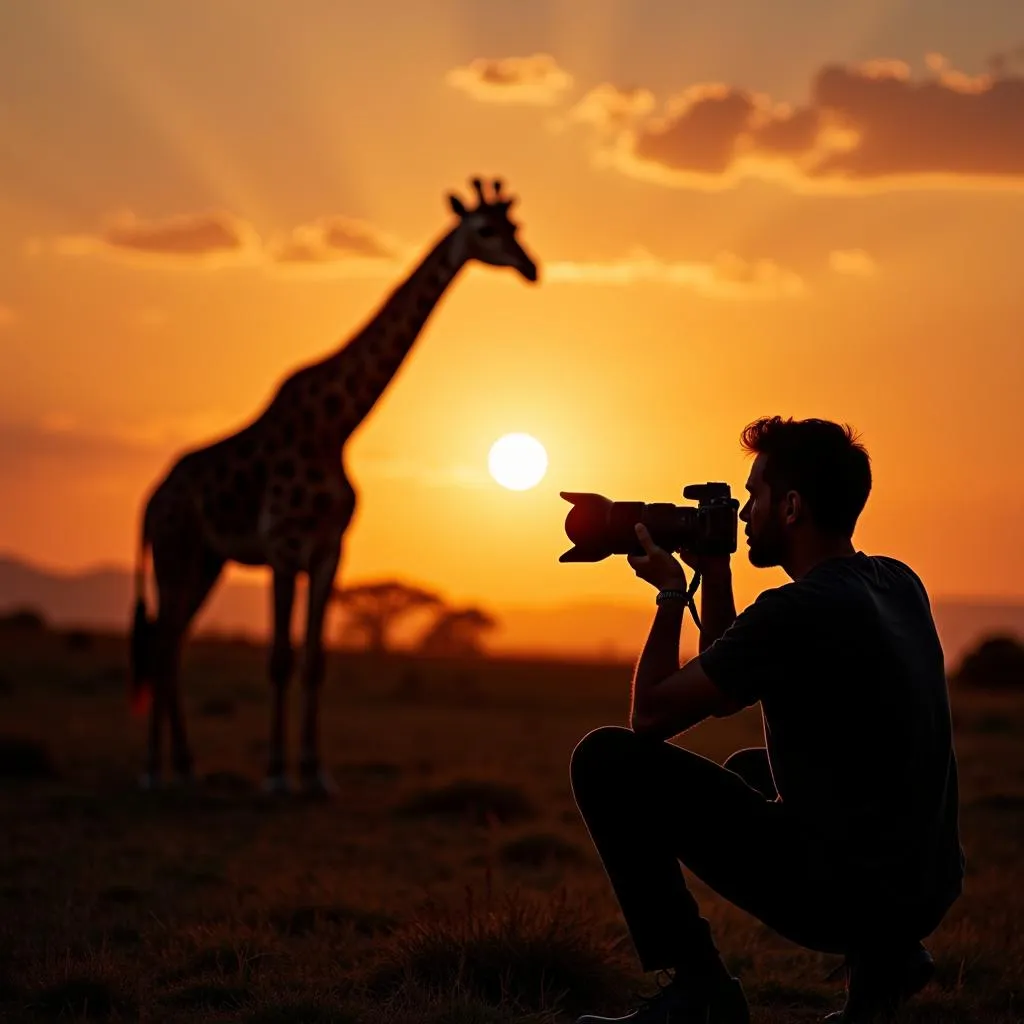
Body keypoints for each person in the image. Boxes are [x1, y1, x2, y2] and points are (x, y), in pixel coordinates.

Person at [570, 416, 965, 1024]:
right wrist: (719, 573)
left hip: (845, 897)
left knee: (607, 760)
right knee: (751, 769)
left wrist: (672, 594)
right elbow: (729, 686)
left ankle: (699, 990)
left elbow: (650, 715)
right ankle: (887, 968)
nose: (745, 513)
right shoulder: (896, 582)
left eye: (754, 495)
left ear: (791, 507)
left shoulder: (796, 611)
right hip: (924, 888)